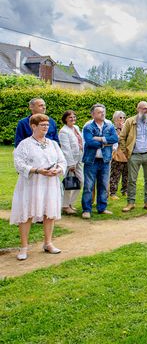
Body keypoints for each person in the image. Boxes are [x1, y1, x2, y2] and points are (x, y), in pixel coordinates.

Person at [11, 113, 67, 260]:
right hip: (31, 183)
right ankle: (23, 247)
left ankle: (48, 243)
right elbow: (19, 163)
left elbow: (62, 160)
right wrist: (37, 170)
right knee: (27, 213)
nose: (46, 128)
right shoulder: (25, 144)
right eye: (43, 125)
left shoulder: (53, 144)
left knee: (49, 212)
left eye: (47, 125)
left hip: (50, 183)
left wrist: (58, 169)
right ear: (33, 126)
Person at [120, 101, 147, 212]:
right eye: (144, 108)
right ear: (138, 109)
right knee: (131, 180)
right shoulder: (130, 121)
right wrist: (126, 152)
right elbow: (122, 137)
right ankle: (130, 203)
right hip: (134, 155)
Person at [81, 103, 119, 219]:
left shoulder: (109, 125)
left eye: (103, 112)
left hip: (105, 160)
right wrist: (106, 143)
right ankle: (86, 210)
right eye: (99, 112)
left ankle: (102, 208)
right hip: (91, 161)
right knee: (88, 186)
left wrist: (100, 139)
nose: (102, 114)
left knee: (103, 185)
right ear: (93, 114)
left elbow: (115, 138)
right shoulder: (88, 127)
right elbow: (90, 142)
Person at [58, 110, 84, 215]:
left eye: (74, 117)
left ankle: (70, 204)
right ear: (65, 119)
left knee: (81, 181)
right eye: (70, 117)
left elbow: (80, 142)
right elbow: (66, 149)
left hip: (79, 159)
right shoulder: (63, 131)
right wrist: (71, 164)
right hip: (70, 162)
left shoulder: (76, 128)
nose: (73, 119)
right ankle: (65, 206)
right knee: (69, 183)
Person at [109, 110, 129, 200]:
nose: (122, 119)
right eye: (120, 117)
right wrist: (120, 131)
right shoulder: (111, 128)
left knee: (127, 174)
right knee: (115, 174)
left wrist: (124, 129)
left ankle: (125, 190)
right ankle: (112, 192)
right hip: (116, 154)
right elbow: (115, 140)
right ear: (115, 119)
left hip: (126, 154)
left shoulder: (127, 128)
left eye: (123, 117)